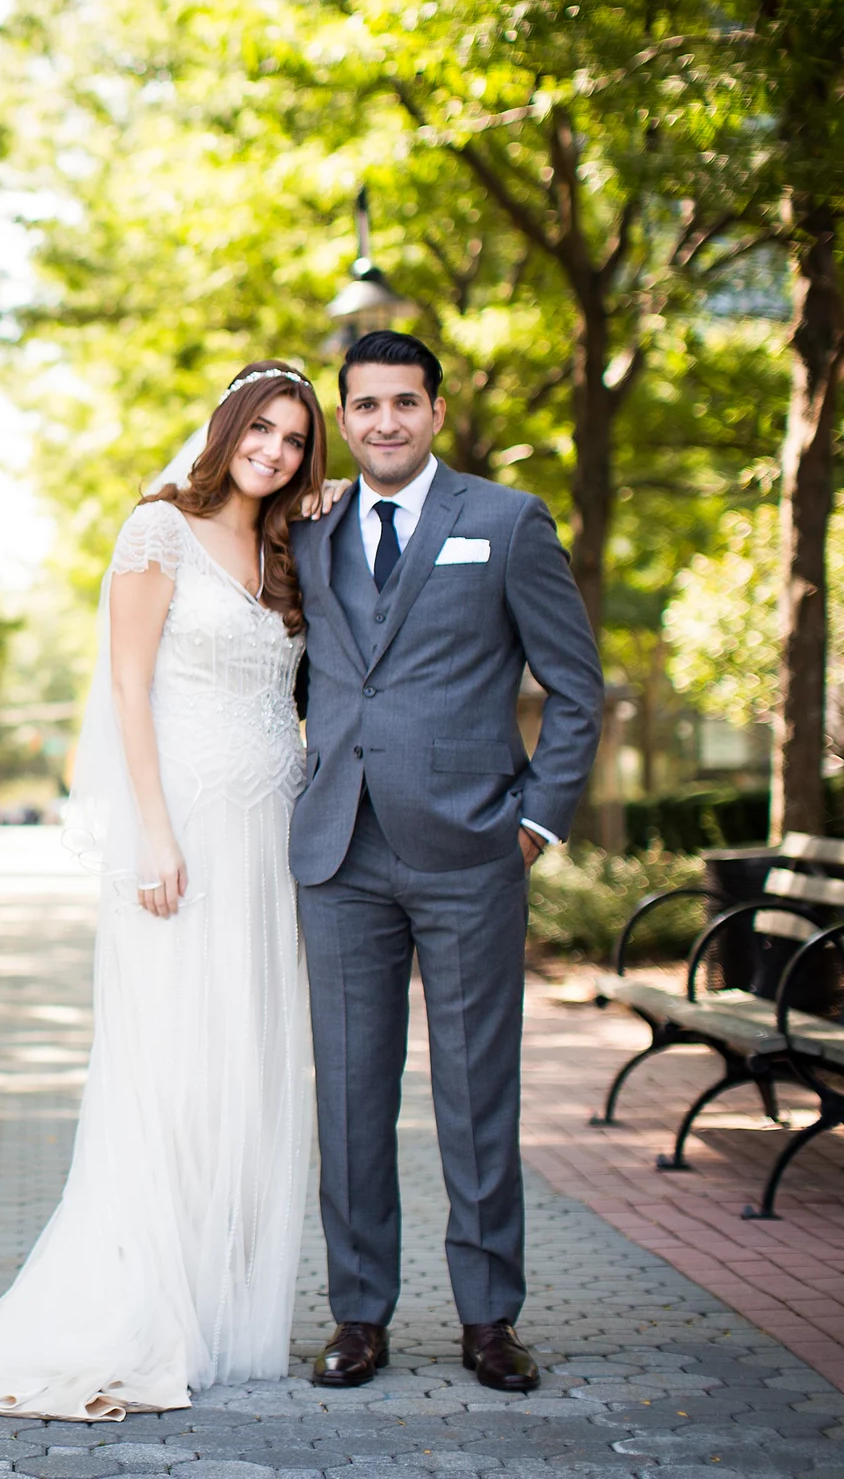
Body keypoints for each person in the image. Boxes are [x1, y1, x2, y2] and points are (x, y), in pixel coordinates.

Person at [0, 362, 329, 1419]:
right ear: (226, 429)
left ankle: (218, 1301)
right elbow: (125, 685)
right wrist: (150, 831)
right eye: (261, 428)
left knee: (245, 1061)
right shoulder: (158, 530)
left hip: (269, 837)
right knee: (172, 1064)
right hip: (182, 827)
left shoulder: (291, 550)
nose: (274, 450)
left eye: (295, 438)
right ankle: (141, 1301)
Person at [288, 331, 601, 1394]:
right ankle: (358, 1314)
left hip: (472, 850)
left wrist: (535, 821)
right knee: (348, 1096)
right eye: (365, 404)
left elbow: (575, 686)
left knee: (476, 1091)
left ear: (435, 411)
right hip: (340, 851)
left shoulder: (506, 521)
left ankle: (488, 1317)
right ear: (345, 416)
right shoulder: (310, 532)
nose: (385, 420)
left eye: (404, 402)